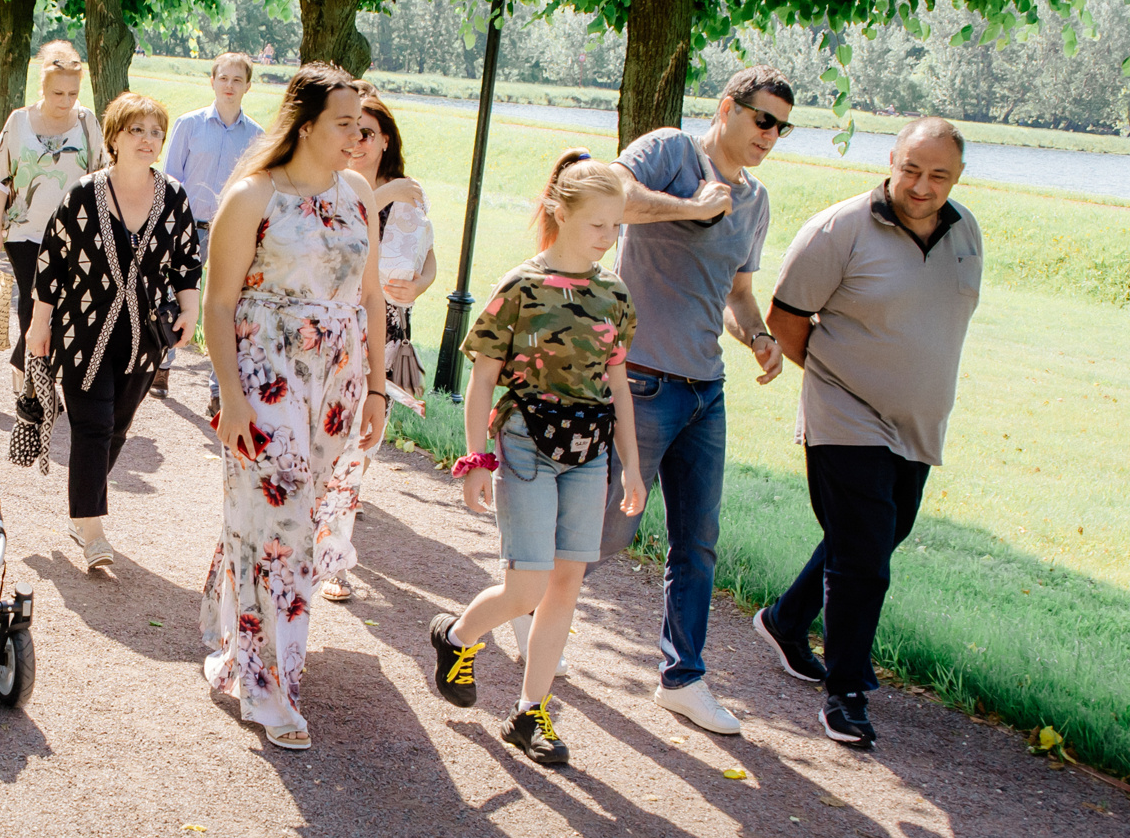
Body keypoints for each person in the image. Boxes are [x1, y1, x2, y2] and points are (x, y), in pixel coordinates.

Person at [548, 64, 790, 734]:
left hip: (704, 387)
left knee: (698, 540)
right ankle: (539, 617)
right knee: (607, 529)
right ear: (728, 108)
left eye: (781, 126)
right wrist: (692, 208)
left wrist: (760, 337)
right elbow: (614, 200)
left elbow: (738, 293)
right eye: (762, 118)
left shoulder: (757, 201)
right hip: (641, 379)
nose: (770, 134)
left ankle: (683, 677)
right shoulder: (668, 151)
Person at [756, 118, 982, 750]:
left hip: (918, 422)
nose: (921, 185)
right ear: (891, 159)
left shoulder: (967, 233)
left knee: (881, 535)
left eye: (938, 174)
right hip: (844, 413)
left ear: (957, 177)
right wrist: (842, 380)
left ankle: (787, 618)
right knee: (865, 561)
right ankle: (846, 694)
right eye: (911, 168)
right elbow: (786, 319)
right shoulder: (840, 229)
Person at [428, 152, 648, 766]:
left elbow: (619, 383)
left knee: (565, 584)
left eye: (617, 226)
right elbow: (482, 380)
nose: (608, 238)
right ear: (561, 211)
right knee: (526, 586)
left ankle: (531, 713)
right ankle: (458, 635)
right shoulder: (521, 287)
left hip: (590, 451)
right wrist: (476, 460)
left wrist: (631, 465)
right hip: (527, 440)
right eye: (598, 224)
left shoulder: (615, 294)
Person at [201, 64, 390, 752]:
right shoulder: (253, 197)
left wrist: (374, 388)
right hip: (265, 379)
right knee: (283, 523)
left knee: (286, 519)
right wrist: (230, 396)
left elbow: (372, 298)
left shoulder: (358, 193)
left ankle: (240, 638)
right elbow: (217, 305)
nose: (358, 134)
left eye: (361, 123)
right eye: (345, 122)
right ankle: (268, 684)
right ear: (306, 124)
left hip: (336, 384)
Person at [26, 92, 203, 575]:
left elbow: (188, 262)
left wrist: (191, 308)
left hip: (144, 339)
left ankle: (83, 500)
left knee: (117, 427)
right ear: (114, 138)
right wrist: (39, 324)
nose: (147, 140)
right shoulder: (83, 194)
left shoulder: (174, 197)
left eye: (155, 132)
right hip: (82, 332)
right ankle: (92, 527)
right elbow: (52, 261)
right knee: (93, 425)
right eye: (136, 131)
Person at [317, 88, 438, 603]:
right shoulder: (331, 186)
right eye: (350, 130)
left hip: (387, 330)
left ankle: (335, 553)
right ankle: (319, 539)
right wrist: (380, 197)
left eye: (367, 133)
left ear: (385, 140)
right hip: (335, 331)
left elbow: (430, 255)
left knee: (360, 447)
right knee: (326, 442)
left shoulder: (409, 193)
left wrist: (423, 285)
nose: (357, 141)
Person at [0, 41, 104, 369]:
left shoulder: (87, 123)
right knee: (34, 300)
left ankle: (30, 368)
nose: (66, 101)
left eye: (73, 93)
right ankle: (32, 385)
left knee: (63, 306)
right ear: (43, 88)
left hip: (74, 234)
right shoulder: (19, 122)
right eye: (57, 93)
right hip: (25, 230)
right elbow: (0, 179)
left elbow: (102, 178)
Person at [155, 52, 261, 397]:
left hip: (229, 232)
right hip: (186, 227)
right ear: (212, 81)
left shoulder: (256, 137)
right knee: (172, 295)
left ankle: (218, 390)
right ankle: (163, 365)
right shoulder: (190, 125)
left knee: (225, 305)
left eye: (237, 80)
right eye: (223, 78)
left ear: (247, 86)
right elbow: (170, 179)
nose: (229, 86)